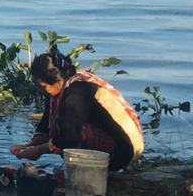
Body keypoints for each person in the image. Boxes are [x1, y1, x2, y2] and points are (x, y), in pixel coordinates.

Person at [10, 49, 144, 172]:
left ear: (56, 81)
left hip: (123, 151)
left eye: (43, 86)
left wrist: (39, 150)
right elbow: (46, 121)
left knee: (67, 130)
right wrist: (31, 144)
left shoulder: (77, 95)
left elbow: (68, 139)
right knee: (64, 124)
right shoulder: (62, 87)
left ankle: (99, 170)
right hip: (119, 142)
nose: (42, 90)